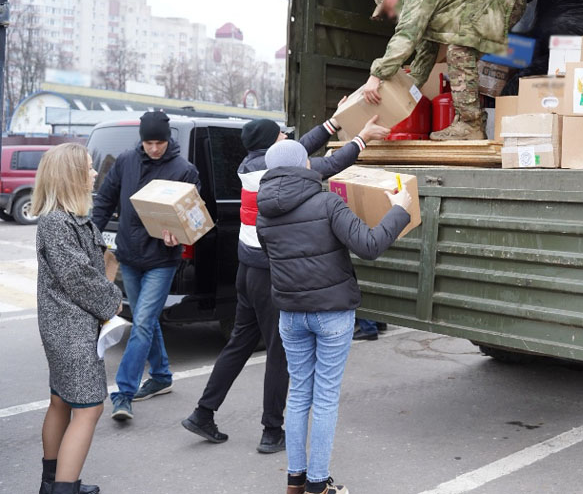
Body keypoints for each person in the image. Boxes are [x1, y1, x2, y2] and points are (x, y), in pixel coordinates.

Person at [182, 113, 389, 453]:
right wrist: (361, 138)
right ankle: (271, 430)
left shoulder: (251, 164)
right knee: (280, 352)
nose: (287, 140)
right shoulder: (275, 170)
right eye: (281, 136)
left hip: (245, 271)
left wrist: (333, 123)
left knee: (238, 344)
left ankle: (203, 412)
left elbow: (300, 148)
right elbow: (330, 162)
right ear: (270, 145)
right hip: (267, 274)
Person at [257, 140, 412, 494]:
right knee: (325, 397)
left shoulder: (263, 213)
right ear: (305, 166)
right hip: (332, 313)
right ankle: (318, 486)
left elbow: (273, 258)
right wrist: (399, 209)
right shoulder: (327, 203)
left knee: (298, 395)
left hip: (291, 315)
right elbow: (370, 245)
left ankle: (295, 480)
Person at [92, 111, 200, 423]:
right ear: (142, 140)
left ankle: (123, 393)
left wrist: (176, 235)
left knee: (141, 323)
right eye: (149, 142)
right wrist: (91, 237)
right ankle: (162, 376)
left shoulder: (184, 170)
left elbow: (193, 220)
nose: (154, 148)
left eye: (160, 142)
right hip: (129, 255)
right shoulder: (126, 161)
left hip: (161, 261)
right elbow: (105, 201)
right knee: (147, 322)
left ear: (168, 139)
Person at [33, 143, 123, 494]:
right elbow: (80, 278)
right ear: (71, 175)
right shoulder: (57, 222)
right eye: (88, 167)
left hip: (68, 326)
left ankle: (50, 483)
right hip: (69, 329)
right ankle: (63, 489)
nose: (95, 173)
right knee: (89, 409)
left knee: (60, 401)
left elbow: (98, 262)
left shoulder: (74, 217)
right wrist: (112, 301)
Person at [363, 0, 526, 141]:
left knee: (459, 51)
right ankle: (470, 123)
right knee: (459, 49)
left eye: (387, 8)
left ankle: (470, 125)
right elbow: (427, 50)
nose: (390, 14)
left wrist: (376, 75)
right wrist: (408, 89)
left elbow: (406, 35)